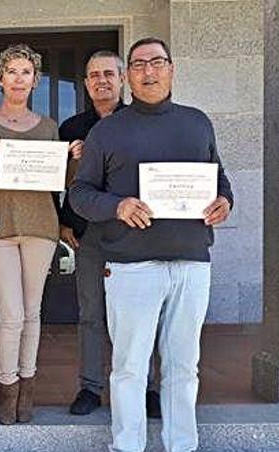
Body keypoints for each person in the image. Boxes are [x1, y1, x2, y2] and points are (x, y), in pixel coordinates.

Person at [70, 38, 232, 452]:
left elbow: (217, 176)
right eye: (138, 65)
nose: (148, 72)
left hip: (191, 261)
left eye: (156, 63)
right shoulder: (108, 131)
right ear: (128, 76)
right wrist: (118, 206)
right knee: (129, 365)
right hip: (130, 264)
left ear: (171, 69)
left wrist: (225, 200)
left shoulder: (197, 123)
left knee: (184, 363)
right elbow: (80, 195)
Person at [59, 50, 160, 417]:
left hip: (135, 234)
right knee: (91, 312)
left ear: (122, 79)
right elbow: (65, 184)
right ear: (86, 84)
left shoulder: (141, 122)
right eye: (93, 75)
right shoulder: (70, 128)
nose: (101, 81)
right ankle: (90, 386)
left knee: (139, 314)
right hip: (89, 234)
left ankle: (147, 387)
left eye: (108, 74)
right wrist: (64, 220)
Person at [0, 43, 60, 425]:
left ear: (35, 81)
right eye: (12, 71)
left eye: (26, 72)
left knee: (33, 312)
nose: (19, 79)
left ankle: (27, 391)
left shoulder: (49, 126)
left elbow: (60, 183)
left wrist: (74, 160)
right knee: (11, 313)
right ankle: (6, 389)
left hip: (41, 225)